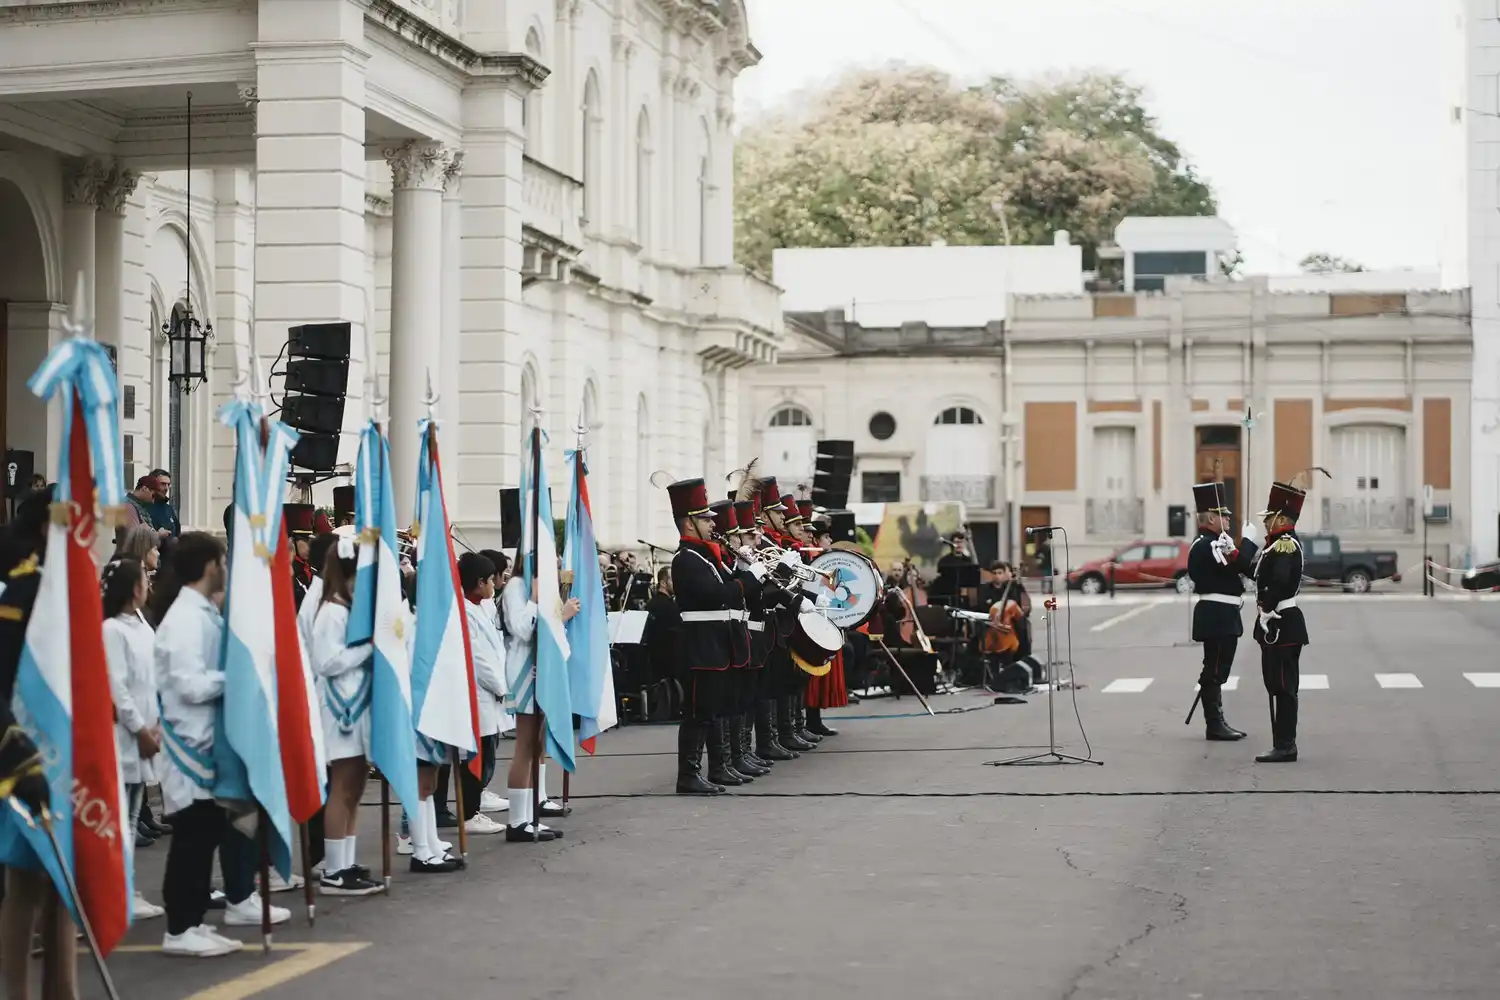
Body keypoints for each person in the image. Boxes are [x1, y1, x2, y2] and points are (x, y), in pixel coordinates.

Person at [153, 532, 246, 957]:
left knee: (207, 831)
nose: (225, 569)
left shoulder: (204, 612)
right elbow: (188, 685)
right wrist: (237, 681)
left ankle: (192, 920)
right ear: (211, 566)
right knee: (192, 836)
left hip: (207, 744)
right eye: (222, 561)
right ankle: (178, 928)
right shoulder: (185, 619)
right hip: (188, 745)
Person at [0, 487, 77, 998]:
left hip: (69, 754)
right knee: (27, 882)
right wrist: (15, 754)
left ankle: (63, 991)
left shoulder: (66, 589)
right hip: (27, 752)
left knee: (66, 886)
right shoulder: (23, 589)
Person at [669, 480, 760, 795]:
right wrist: (749, 577)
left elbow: (730, 590)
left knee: (714, 709)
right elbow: (717, 595)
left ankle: (719, 767)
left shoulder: (707, 557)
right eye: (706, 518)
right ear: (689, 523)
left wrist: (748, 572)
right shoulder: (686, 560)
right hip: (701, 647)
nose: (712, 523)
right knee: (698, 713)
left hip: (717, 645)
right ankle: (689, 775)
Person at [500, 495, 580, 839]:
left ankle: (529, 814)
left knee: (536, 745)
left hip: (542, 669)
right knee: (525, 745)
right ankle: (518, 820)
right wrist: (538, 601)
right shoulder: (517, 587)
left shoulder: (537, 586)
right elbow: (522, 627)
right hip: (524, 671)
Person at [309, 536, 385, 894]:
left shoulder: (347, 611)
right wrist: (367, 650)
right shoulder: (332, 612)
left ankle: (347, 861)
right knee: (342, 788)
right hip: (340, 710)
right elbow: (326, 661)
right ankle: (333, 870)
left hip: (355, 707)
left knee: (354, 788)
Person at [101, 557, 167, 921]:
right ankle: (118, 889)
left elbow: (151, 680)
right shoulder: (112, 630)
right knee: (119, 819)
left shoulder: (143, 625)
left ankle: (126, 885)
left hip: (147, 734)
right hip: (124, 737)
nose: (148, 583)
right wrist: (139, 728)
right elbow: (118, 688)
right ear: (132, 588)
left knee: (130, 814)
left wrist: (155, 725)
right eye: (144, 578)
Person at [1186, 482, 1261, 742]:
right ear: (1210, 518)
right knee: (1215, 669)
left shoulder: (1216, 543)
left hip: (1223, 614)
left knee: (1218, 668)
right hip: (1215, 614)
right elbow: (1237, 565)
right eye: (1223, 514)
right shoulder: (1206, 544)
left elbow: (1247, 569)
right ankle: (1214, 723)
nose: (1229, 518)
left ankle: (1216, 720)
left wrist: (1244, 551)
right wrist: (1248, 542)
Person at [1252, 479, 1309, 763]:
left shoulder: (1285, 545)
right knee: (1275, 683)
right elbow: (1255, 572)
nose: (1266, 524)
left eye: (1269, 519)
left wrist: (1266, 605)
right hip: (1274, 621)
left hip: (1282, 620)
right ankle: (1281, 742)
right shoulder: (1273, 545)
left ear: (1282, 519)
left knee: (1285, 686)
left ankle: (1286, 745)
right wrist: (1238, 547)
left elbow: (1280, 580)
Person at [458, 552, 508, 836]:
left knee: (487, 749)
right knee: (475, 754)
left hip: (491, 692)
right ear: (478, 583)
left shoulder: (481, 606)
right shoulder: (465, 611)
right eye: (490, 580)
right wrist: (499, 685)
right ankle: (469, 812)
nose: (494, 585)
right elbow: (477, 657)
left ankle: (475, 806)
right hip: (481, 691)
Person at [148, 468, 181, 538]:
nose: (166, 488)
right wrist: (158, 535)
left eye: (168, 485)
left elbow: (177, 533)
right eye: (163, 484)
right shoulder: (142, 508)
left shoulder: (169, 509)